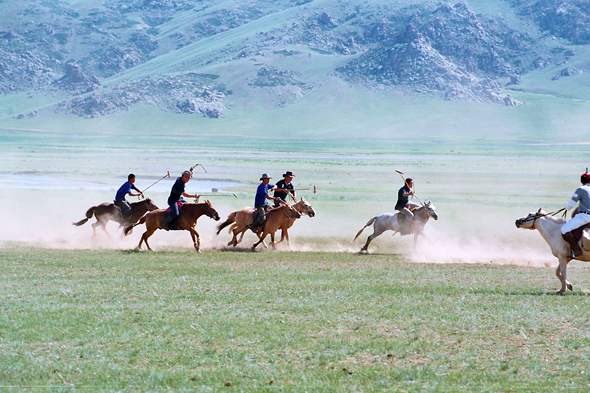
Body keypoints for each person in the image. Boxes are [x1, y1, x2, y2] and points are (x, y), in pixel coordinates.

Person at [561, 172, 590, 257]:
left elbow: (570, 205)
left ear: (581, 181)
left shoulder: (580, 189)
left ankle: (577, 250)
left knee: (564, 229)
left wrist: (567, 208)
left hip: (585, 216)